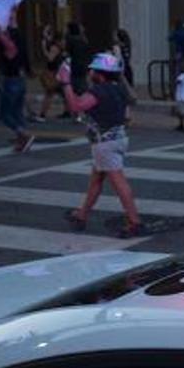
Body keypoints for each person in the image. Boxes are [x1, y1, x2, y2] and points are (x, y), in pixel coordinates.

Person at [59, 52, 143, 239]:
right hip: (116, 139)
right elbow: (132, 101)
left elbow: (75, 106)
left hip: (106, 143)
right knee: (96, 180)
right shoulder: (118, 88)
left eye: (93, 70)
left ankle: (134, 222)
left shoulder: (99, 91)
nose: (90, 72)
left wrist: (66, 83)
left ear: (100, 73)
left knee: (119, 182)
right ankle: (81, 215)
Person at [0, 12, 35, 153]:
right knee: (18, 113)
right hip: (21, 80)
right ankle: (22, 142)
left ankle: (24, 135)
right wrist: (13, 10)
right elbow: (13, 28)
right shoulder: (20, 43)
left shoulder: (9, 47)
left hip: (10, 81)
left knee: (5, 114)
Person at [35, 23, 64, 122]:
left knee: (50, 93)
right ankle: (72, 112)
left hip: (53, 72)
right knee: (62, 93)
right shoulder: (58, 46)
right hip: (57, 72)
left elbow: (50, 58)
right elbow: (46, 38)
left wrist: (44, 49)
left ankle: (42, 115)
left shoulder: (54, 47)